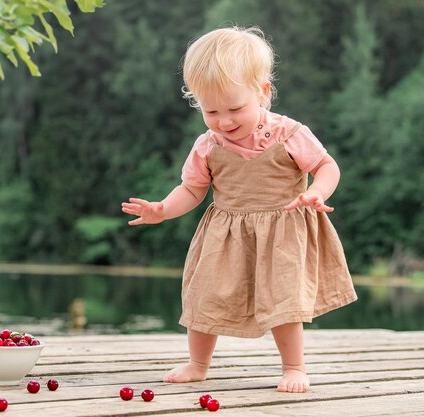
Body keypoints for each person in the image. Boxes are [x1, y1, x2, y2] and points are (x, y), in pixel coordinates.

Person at [121, 26, 357, 393]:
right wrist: (163, 209)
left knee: (285, 299)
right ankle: (198, 364)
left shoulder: (289, 133)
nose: (225, 121)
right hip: (226, 234)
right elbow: (192, 189)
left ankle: (294, 367)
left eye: (235, 109)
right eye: (211, 111)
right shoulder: (207, 145)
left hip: (283, 230)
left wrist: (318, 192)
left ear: (262, 92)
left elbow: (327, 166)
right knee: (203, 297)